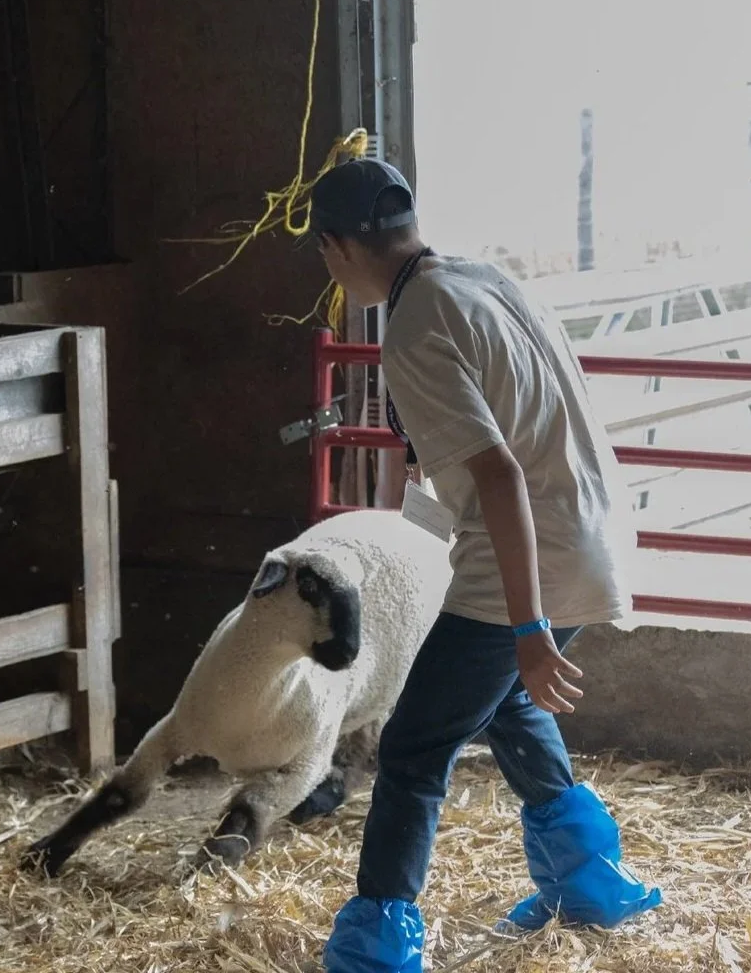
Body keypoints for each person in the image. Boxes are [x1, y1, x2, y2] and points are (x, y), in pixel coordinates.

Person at [305, 158, 662, 973]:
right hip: (595, 527)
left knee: (413, 748)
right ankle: (590, 879)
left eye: (324, 255)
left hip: (530, 552)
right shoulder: (479, 278)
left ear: (337, 246)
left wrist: (530, 625)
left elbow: (498, 471)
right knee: (504, 706)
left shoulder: (416, 324)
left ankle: (378, 950)